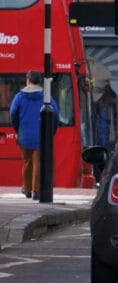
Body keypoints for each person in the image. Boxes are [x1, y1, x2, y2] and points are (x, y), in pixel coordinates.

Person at [9, 70, 59, 200]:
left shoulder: (19, 97)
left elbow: (13, 113)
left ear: (28, 80)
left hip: (24, 135)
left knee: (27, 162)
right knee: (38, 162)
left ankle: (27, 189)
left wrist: (17, 129)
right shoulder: (46, 97)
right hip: (41, 136)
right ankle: (36, 190)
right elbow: (55, 115)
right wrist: (50, 132)